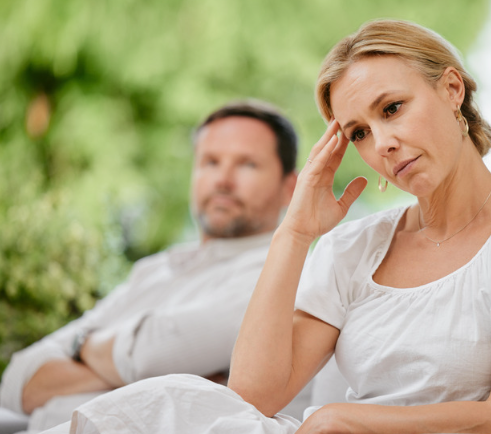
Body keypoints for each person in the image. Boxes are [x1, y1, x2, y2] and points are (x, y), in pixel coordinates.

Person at [41, 19, 491, 434]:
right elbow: (254, 395)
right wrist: (296, 232)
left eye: (392, 109)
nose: (381, 144)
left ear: (452, 89)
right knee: (161, 405)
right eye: (357, 133)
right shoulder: (361, 246)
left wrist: (347, 420)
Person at [0, 99, 299, 433]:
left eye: (247, 165)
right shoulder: (153, 270)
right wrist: (172, 384)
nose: (223, 180)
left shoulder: (280, 278)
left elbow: (150, 357)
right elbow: (16, 380)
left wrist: (79, 347)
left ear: (290, 187)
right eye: (210, 162)